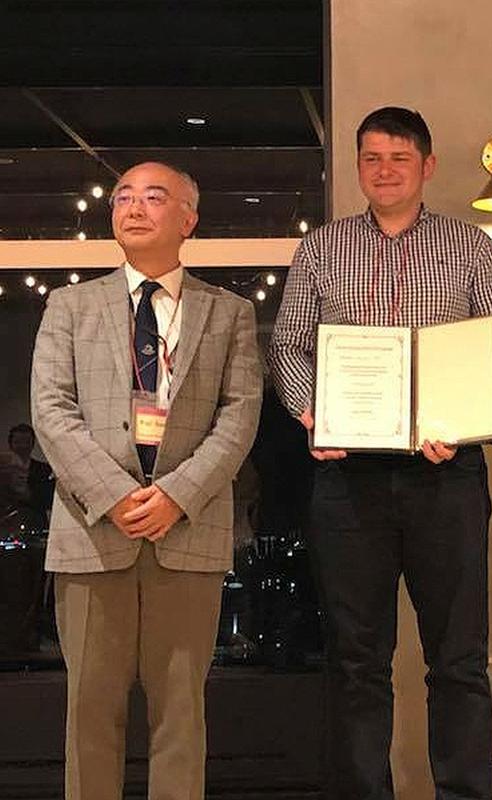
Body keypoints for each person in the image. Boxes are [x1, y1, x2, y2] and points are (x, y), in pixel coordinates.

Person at [268, 107, 492, 800]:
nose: (383, 170)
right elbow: (288, 344)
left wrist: (466, 421)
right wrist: (309, 411)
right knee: (356, 661)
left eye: (398, 158)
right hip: (346, 477)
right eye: (370, 157)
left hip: (446, 472)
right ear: (357, 165)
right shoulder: (320, 249)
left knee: (458, 661)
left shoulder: (469, 246)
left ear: (427, 166)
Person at [31, 161, 263, 800]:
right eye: (123, 196)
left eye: (154, 197)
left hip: (187, 535)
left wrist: (176, 497)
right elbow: (50, 410)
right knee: (89, 717)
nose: (133, 207)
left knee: (181, 719)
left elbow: (239, 418)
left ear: (188, 219)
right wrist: (113, 497)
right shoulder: (68, 306)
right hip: (89, 534)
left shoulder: (230, 314)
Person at [0, 423, 54, 528]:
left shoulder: (45, 470)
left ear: (32, 444)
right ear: (10, 444)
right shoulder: (3, 470)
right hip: (5, 525)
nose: (23, 446)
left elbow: (49, 501)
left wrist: (29, 494)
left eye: (27, 442)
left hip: (36, 525)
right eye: (18, 442)